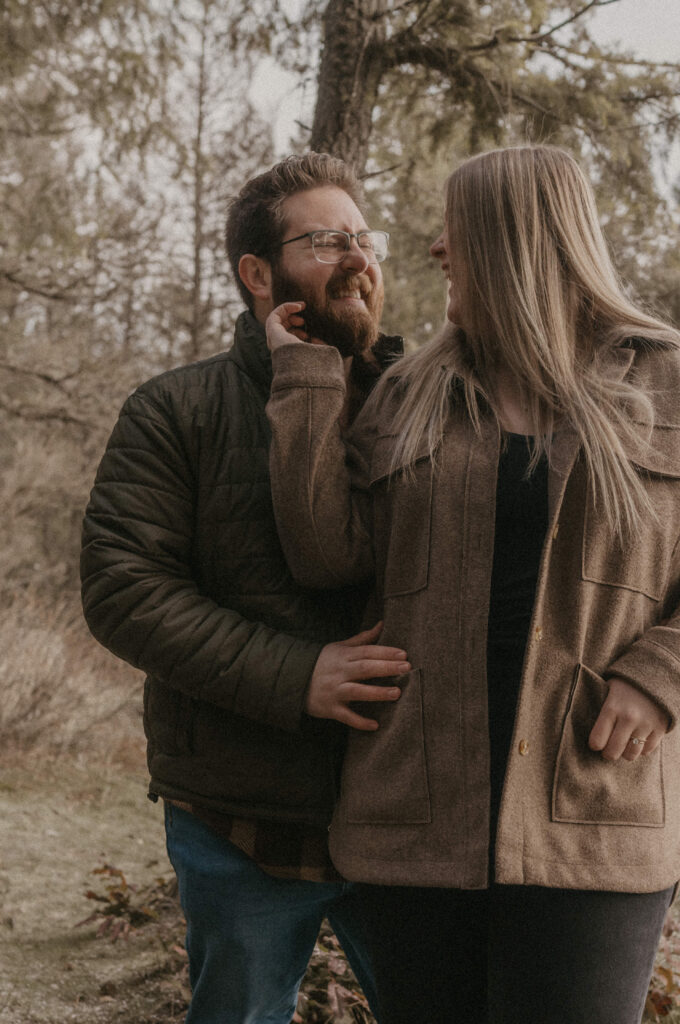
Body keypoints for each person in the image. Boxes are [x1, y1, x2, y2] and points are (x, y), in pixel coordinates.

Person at [262, 145, 680, 1024]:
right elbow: (325, 554)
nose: (435, 251)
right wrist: (310, 373)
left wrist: (660, 677)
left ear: (514, 240)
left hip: (597, 812)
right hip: (417, 817)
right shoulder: (408, 391)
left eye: (454, 229)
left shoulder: (664, 375)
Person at [80, 152, 410, 1024]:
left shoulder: (424, 405)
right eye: (326, 239)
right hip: (239, 817)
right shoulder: (173, 411)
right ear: (257, 274)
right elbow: (123, 589)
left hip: (411, 813)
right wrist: (296, 675)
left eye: (363, 236)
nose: (357, 257)